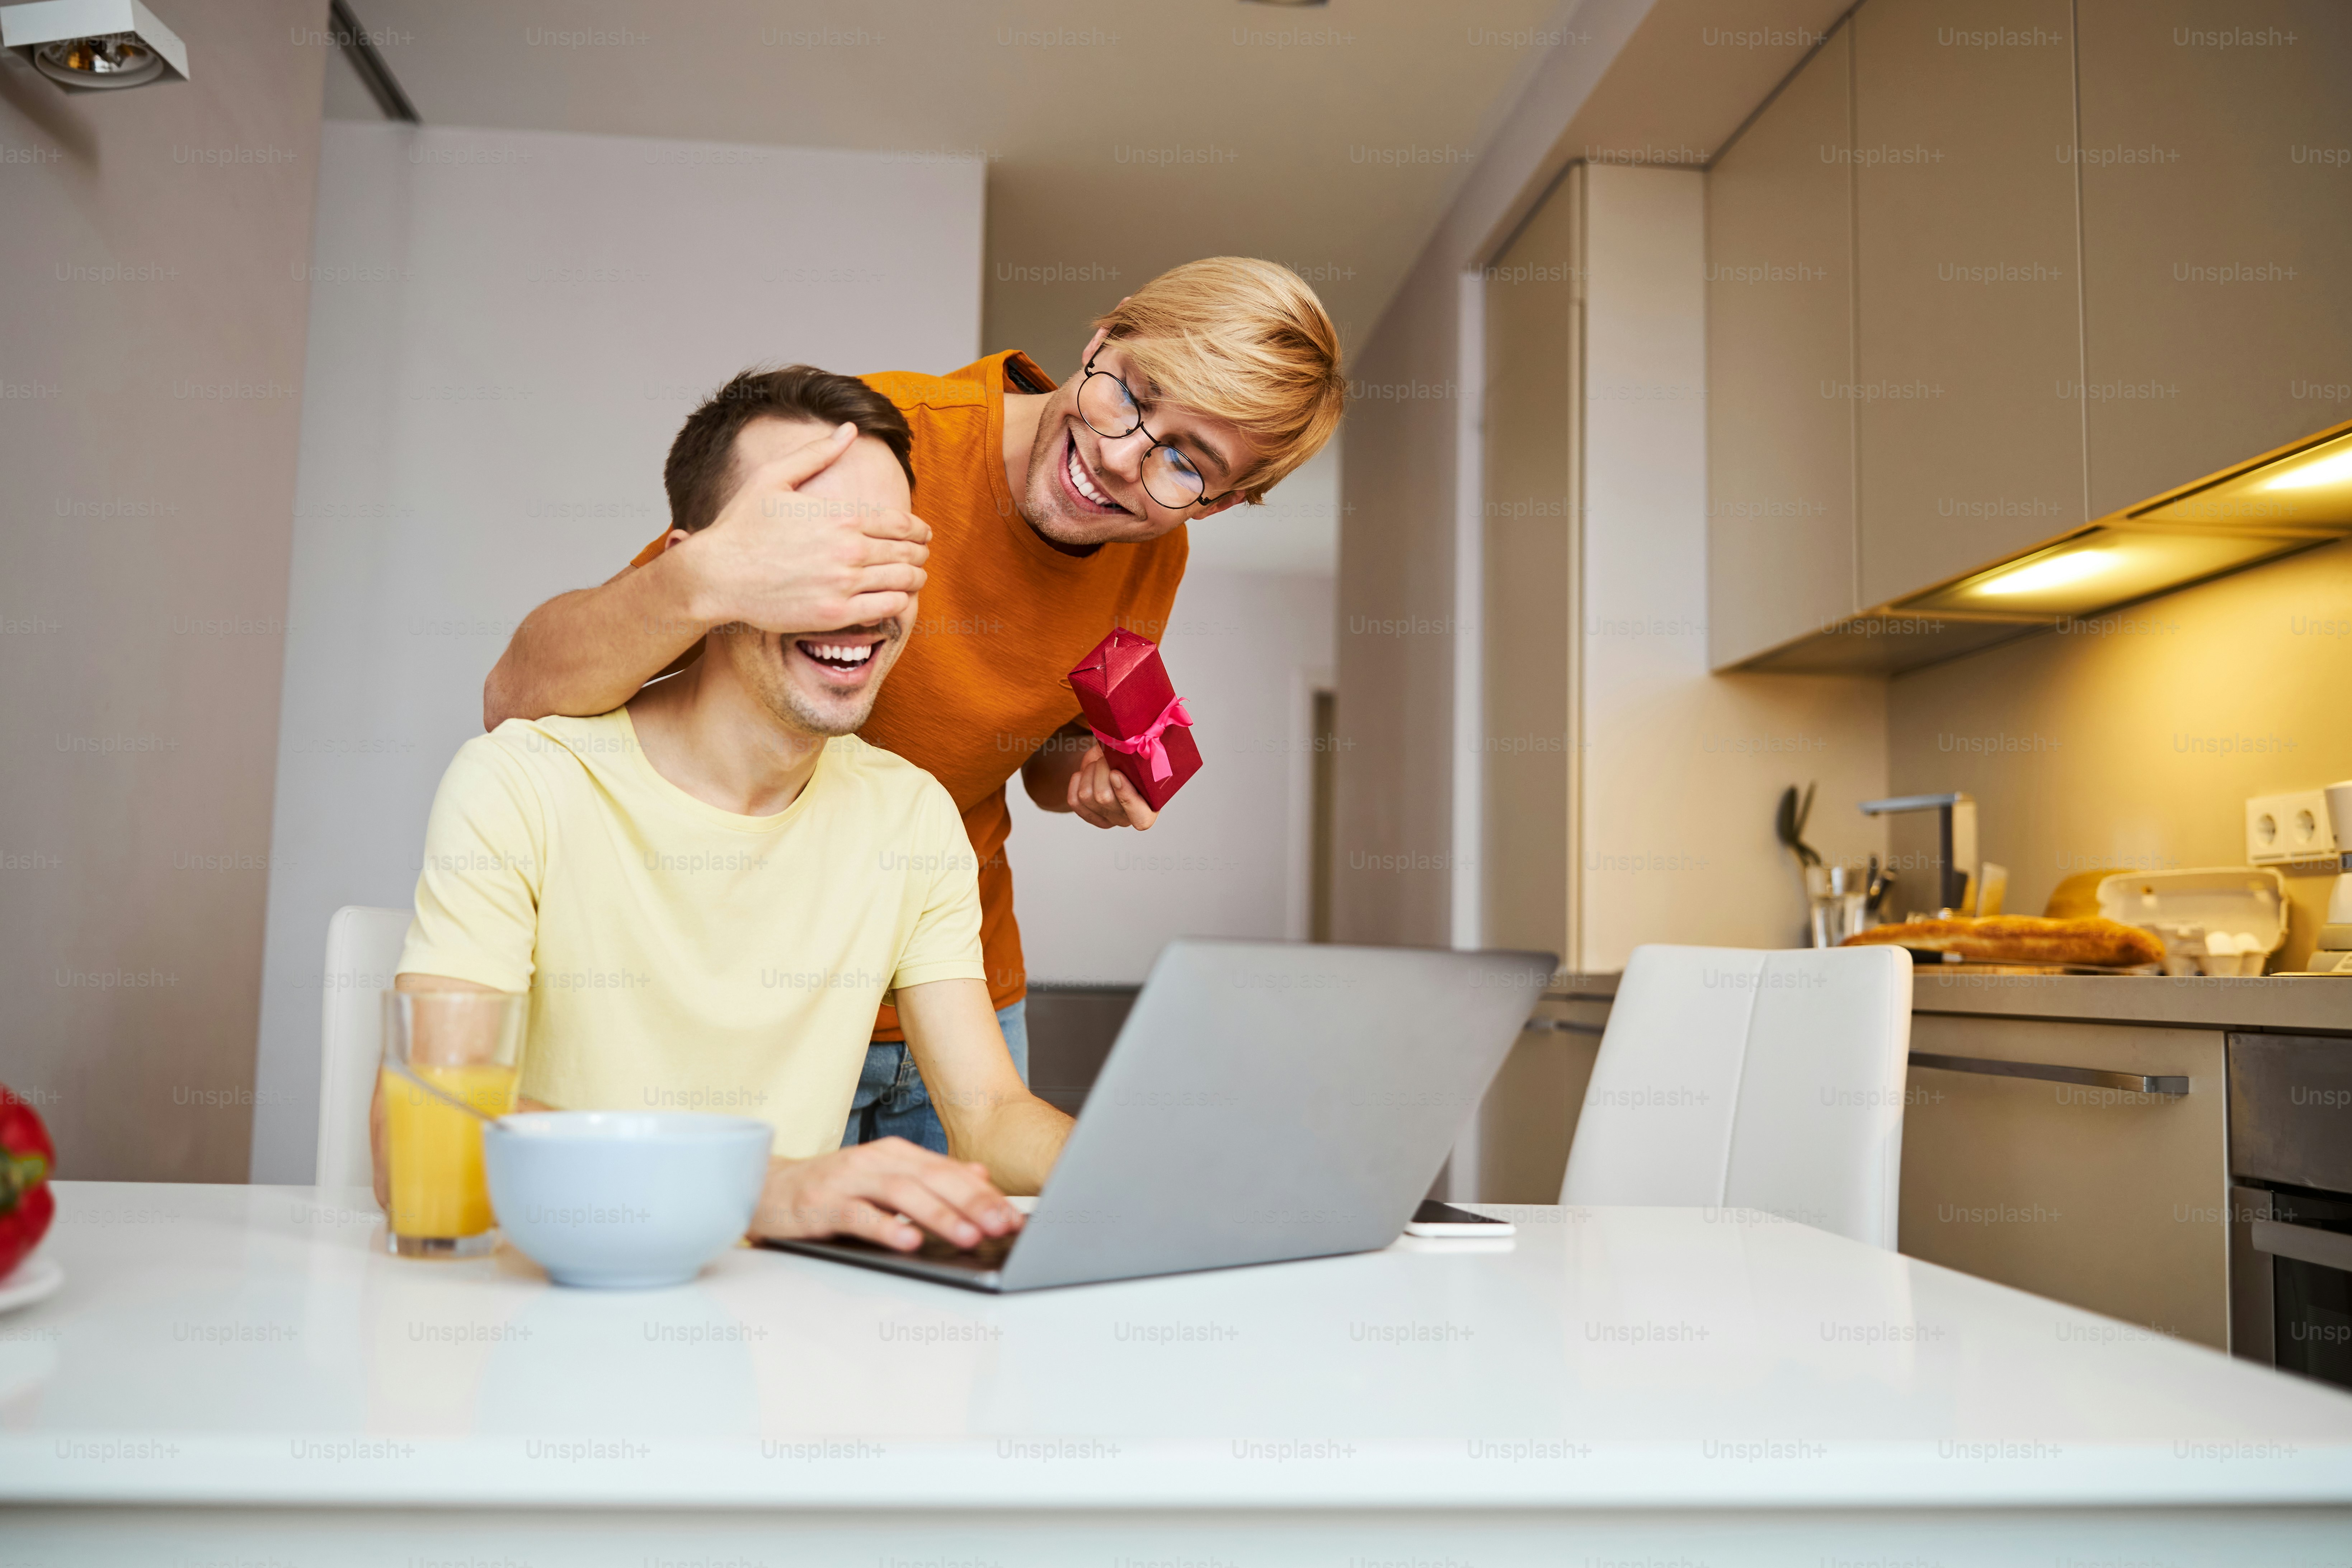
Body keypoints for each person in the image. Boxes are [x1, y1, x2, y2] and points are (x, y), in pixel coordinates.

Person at [481, 258, 1347, 1153]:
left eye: (1182, 462)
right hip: (778, 985)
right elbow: (529, 696)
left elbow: (1033, 751)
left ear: (1223, 502)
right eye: (1131, 395)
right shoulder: (870, 453)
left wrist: (1082, 774)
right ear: (1102, 339)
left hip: (961, 991)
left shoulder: (1153, 556)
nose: (1120, 456)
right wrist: (701, 576)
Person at [375, 367, 1067, 1253]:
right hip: (555, 1321)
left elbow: (988, 1114)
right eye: (805, 556)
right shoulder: (522, 784)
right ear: (695, 568)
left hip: (781, 1332)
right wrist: (759, 1190)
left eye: (886, 555)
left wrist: (1139, 1168)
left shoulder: (911, 820)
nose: (852, 599)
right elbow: (417, 1141)